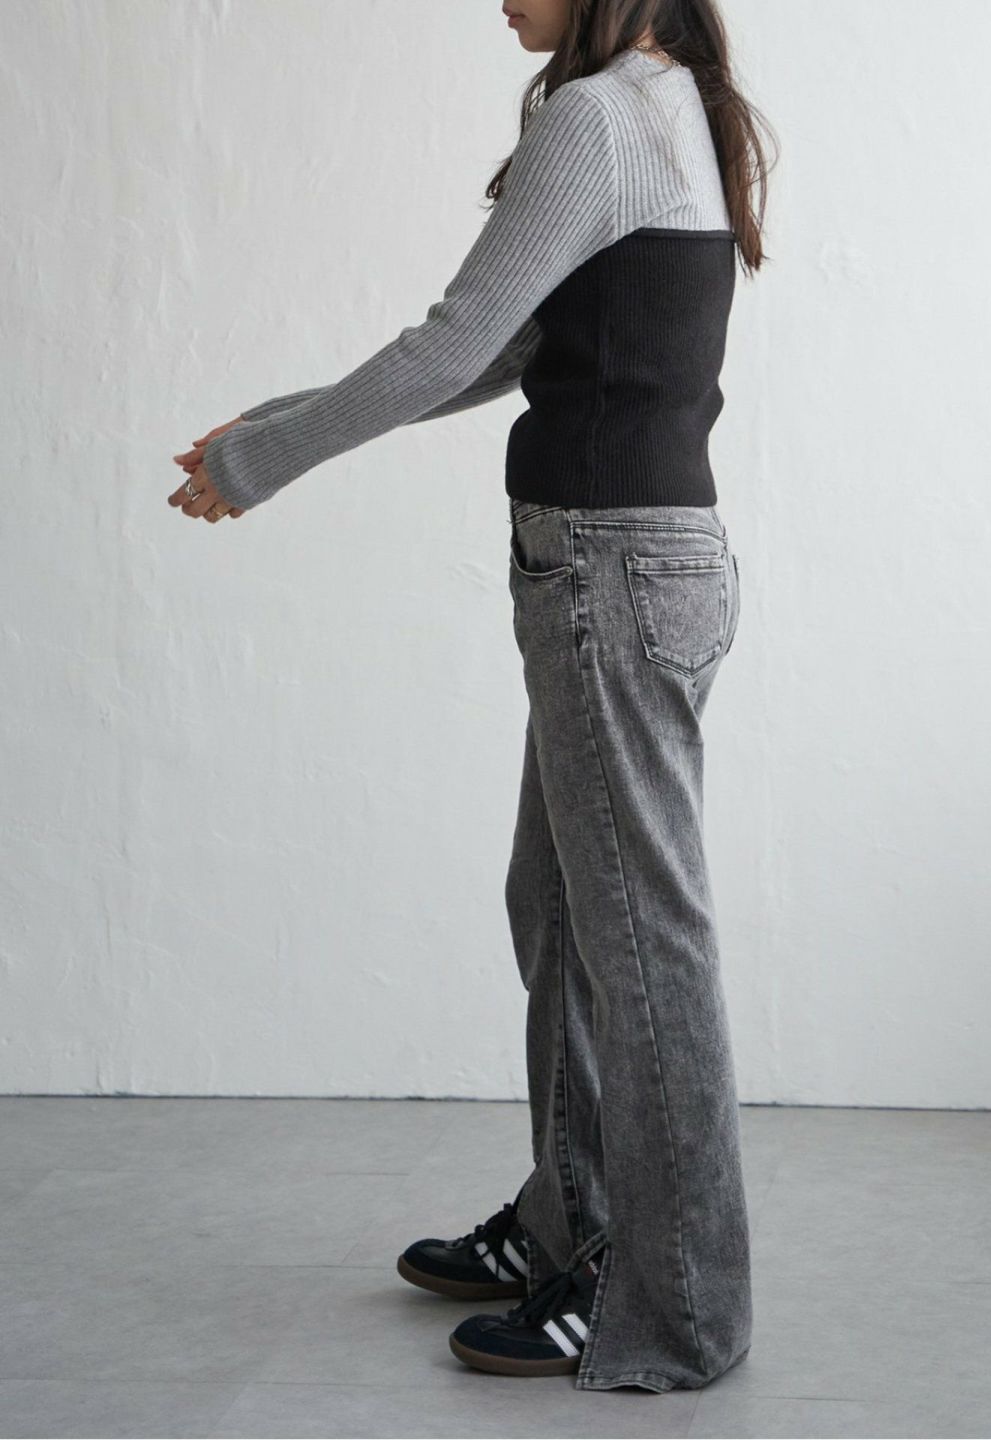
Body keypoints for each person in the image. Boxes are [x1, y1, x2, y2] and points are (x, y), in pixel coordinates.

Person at [169, 0, 775, 1396]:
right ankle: (572, 1225)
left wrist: (259, 463)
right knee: (559, 905)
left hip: (609, 570)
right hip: (633, 567)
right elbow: (508, 350)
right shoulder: (663, 101)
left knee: (641, 945)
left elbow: (451, 345)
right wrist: (277, 418)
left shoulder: (599, 116)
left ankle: (674, 1306)